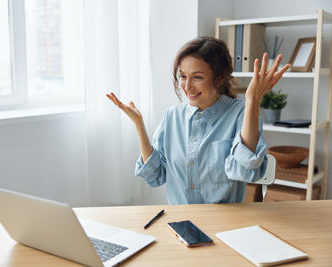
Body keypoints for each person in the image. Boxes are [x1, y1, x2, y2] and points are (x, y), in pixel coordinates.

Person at [107, 36, 290, 204]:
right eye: (183, 76)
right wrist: (139, 124)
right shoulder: (172, 116)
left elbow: (245, 168)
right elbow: (156, 175)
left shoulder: (241, 112)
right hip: (180, 224)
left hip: (224, 224)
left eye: (197, 77)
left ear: (219, 78)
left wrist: (253, 100)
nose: (187, 86)